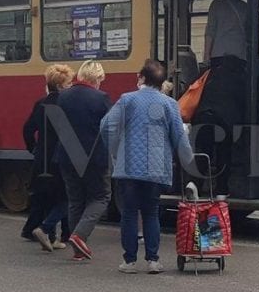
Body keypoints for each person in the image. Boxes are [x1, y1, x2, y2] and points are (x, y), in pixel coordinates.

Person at [101, 59, 195, 273]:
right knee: (151, 213)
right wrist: (188, 160)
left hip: (128, 168)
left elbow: (107, 126)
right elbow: (179, 137)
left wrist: (116, 152)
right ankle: (153, 260)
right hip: (156, 168)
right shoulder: (170, 104)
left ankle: (129, 261)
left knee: (130, 213)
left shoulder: (127, 100)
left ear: (142, 78)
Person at [195, 0, 250, 195]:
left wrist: (206, 62)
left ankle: (199, 182)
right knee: (227, 129)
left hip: (217, 61)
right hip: (240, 62)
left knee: (207, 130)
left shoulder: (216, 5)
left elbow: (209, 34)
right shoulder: (246, 9)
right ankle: (222, 187)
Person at [54, 60, 112, 261]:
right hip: (94, 157)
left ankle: (78, 250)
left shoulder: (63, 97)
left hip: (67, 156)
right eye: (100, 80)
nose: (100, 84)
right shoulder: (101, 98)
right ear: (96, 78)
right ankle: (80, 235)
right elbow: (108, 129)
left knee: (75, 200)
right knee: (101, 197)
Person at [20, 63, 74, 252]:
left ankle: (52, 239)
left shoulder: (40, 103)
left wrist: (32, 148)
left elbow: (27, 129)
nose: (71, 86)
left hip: (42, 157)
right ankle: (52, 232)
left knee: (49, 196)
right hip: (61, 157)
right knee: (66, 195)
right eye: (68, 83)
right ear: (60, 86)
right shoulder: (67, 105)